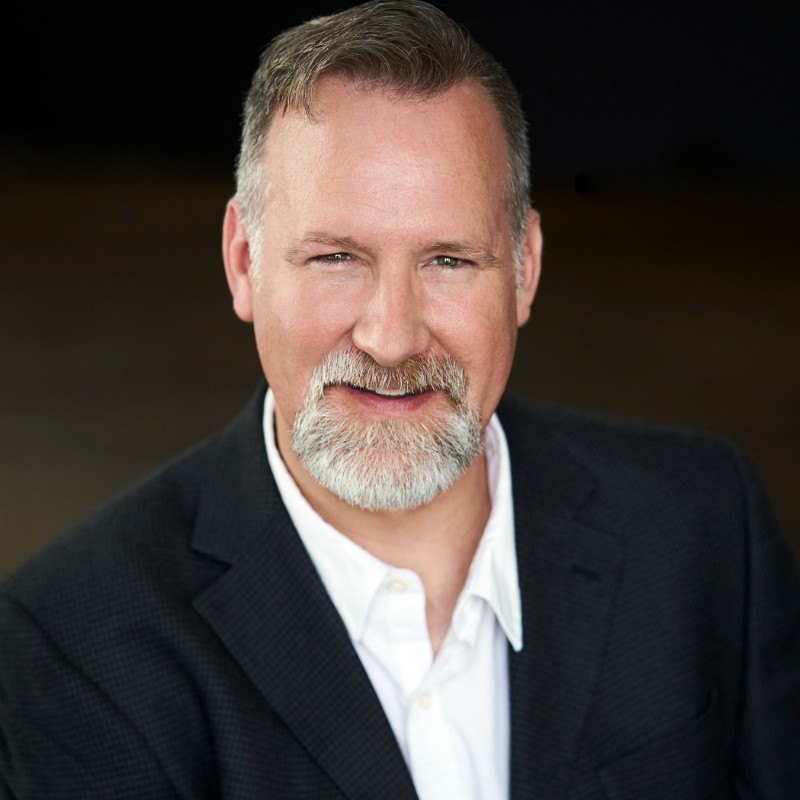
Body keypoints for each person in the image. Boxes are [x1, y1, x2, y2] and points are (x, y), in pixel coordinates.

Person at [1, 1, 798, 797]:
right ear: (244, 262)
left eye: (449, 261)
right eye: (336, 257)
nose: (392, 339)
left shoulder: (704, 527)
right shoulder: (67, 649)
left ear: (524, 268)